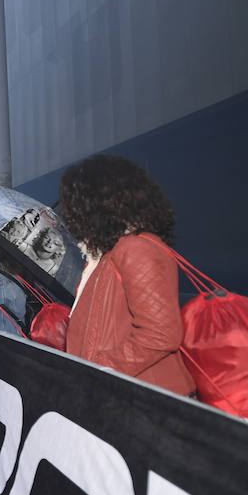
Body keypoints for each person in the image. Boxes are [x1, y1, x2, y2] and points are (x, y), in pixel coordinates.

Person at [57, 154, 195, 396]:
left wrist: (98, 368)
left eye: (75, 205)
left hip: (145, 403)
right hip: (122, 396)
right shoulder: (106, 254)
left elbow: (161, 334)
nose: (70, 216)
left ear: (98, 204)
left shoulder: (136, 249)